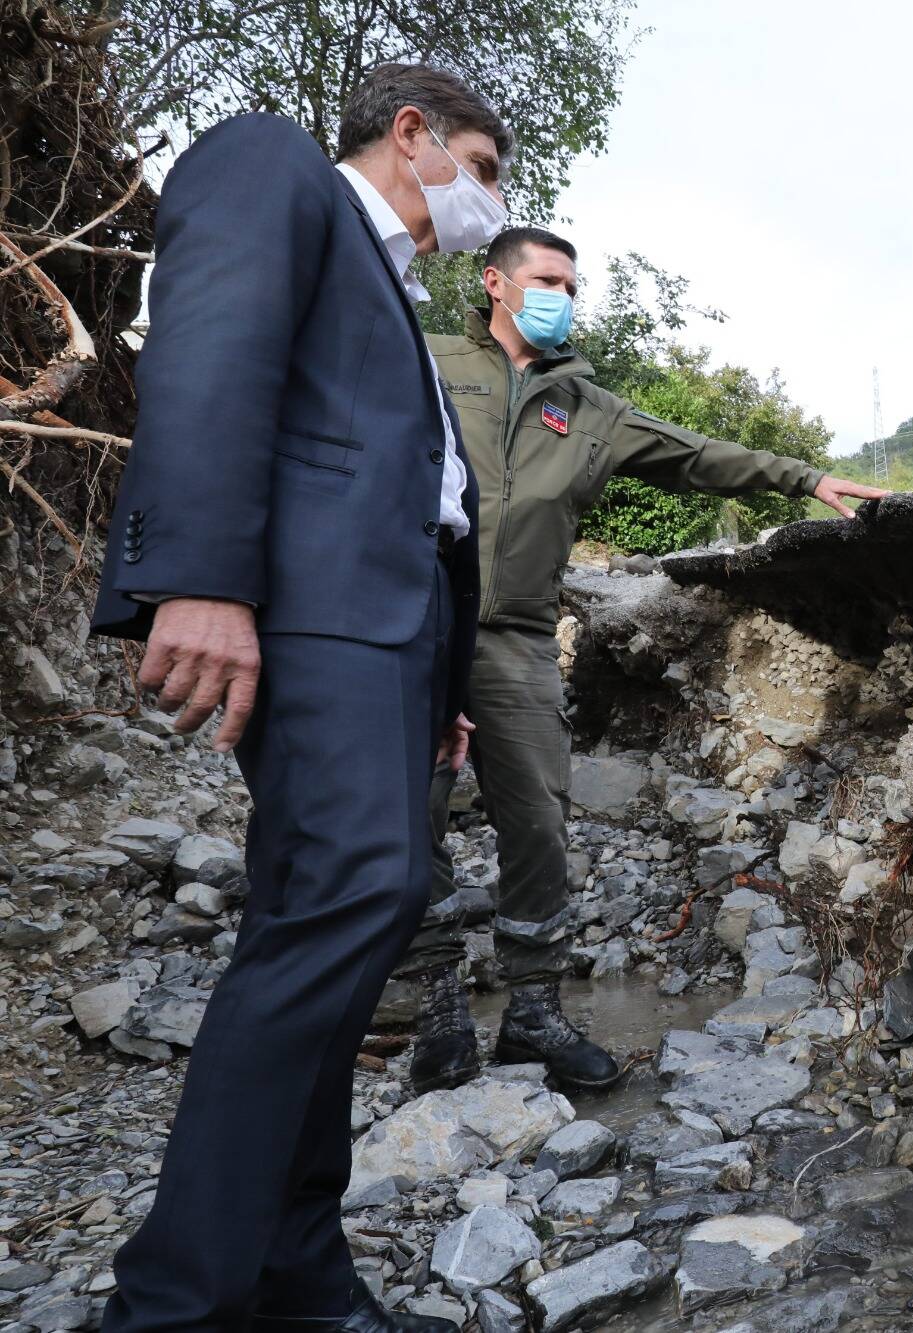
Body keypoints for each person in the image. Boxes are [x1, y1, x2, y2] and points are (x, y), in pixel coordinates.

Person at [91, 64, 509, 1332]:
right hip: (314, 613)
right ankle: (174, 1302)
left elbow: (419, 502)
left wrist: (438, 683)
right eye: (484, 169)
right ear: (411, 135)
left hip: (388, 634)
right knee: (354, 897)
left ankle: (296, 1271)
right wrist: (203, 579)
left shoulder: (384, 291)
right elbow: (211, 347)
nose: (489, 200)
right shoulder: (278, 166)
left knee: (340, 913)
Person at [399, 225, 887, 1093]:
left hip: (514, 635)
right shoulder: (429, 360)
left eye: (572, 285)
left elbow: (697, 456)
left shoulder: (589, 406)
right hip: (414, 619)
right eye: (547, 279)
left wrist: (805, 478)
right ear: (494, 284)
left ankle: (535, 1013)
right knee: (412, 808)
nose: (563, 296)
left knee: (540, 817)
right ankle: (437, 1004)